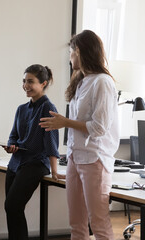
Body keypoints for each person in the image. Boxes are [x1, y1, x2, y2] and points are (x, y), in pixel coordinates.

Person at [39, 30, 119, 239]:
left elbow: (99, 127)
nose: (69, 57)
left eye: (71, 52)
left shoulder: (103, 82)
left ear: (80, 51)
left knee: (98, 223)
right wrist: (65, 124)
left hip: (95, 159)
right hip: (76, 158)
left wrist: (65, 123)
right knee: (76, 223)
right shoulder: (81, 81)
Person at [3, 64, 64, 240]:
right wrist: (11, 146)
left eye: (30, 81)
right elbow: (13, 136)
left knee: (13, 205)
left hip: (36, 163)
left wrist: (54, 170)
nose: (26, 85)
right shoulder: (21, 109)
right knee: (11, 208)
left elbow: (51, 141)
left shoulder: (48, 108)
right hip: (16, 162)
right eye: (24, 81)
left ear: (43, 83)